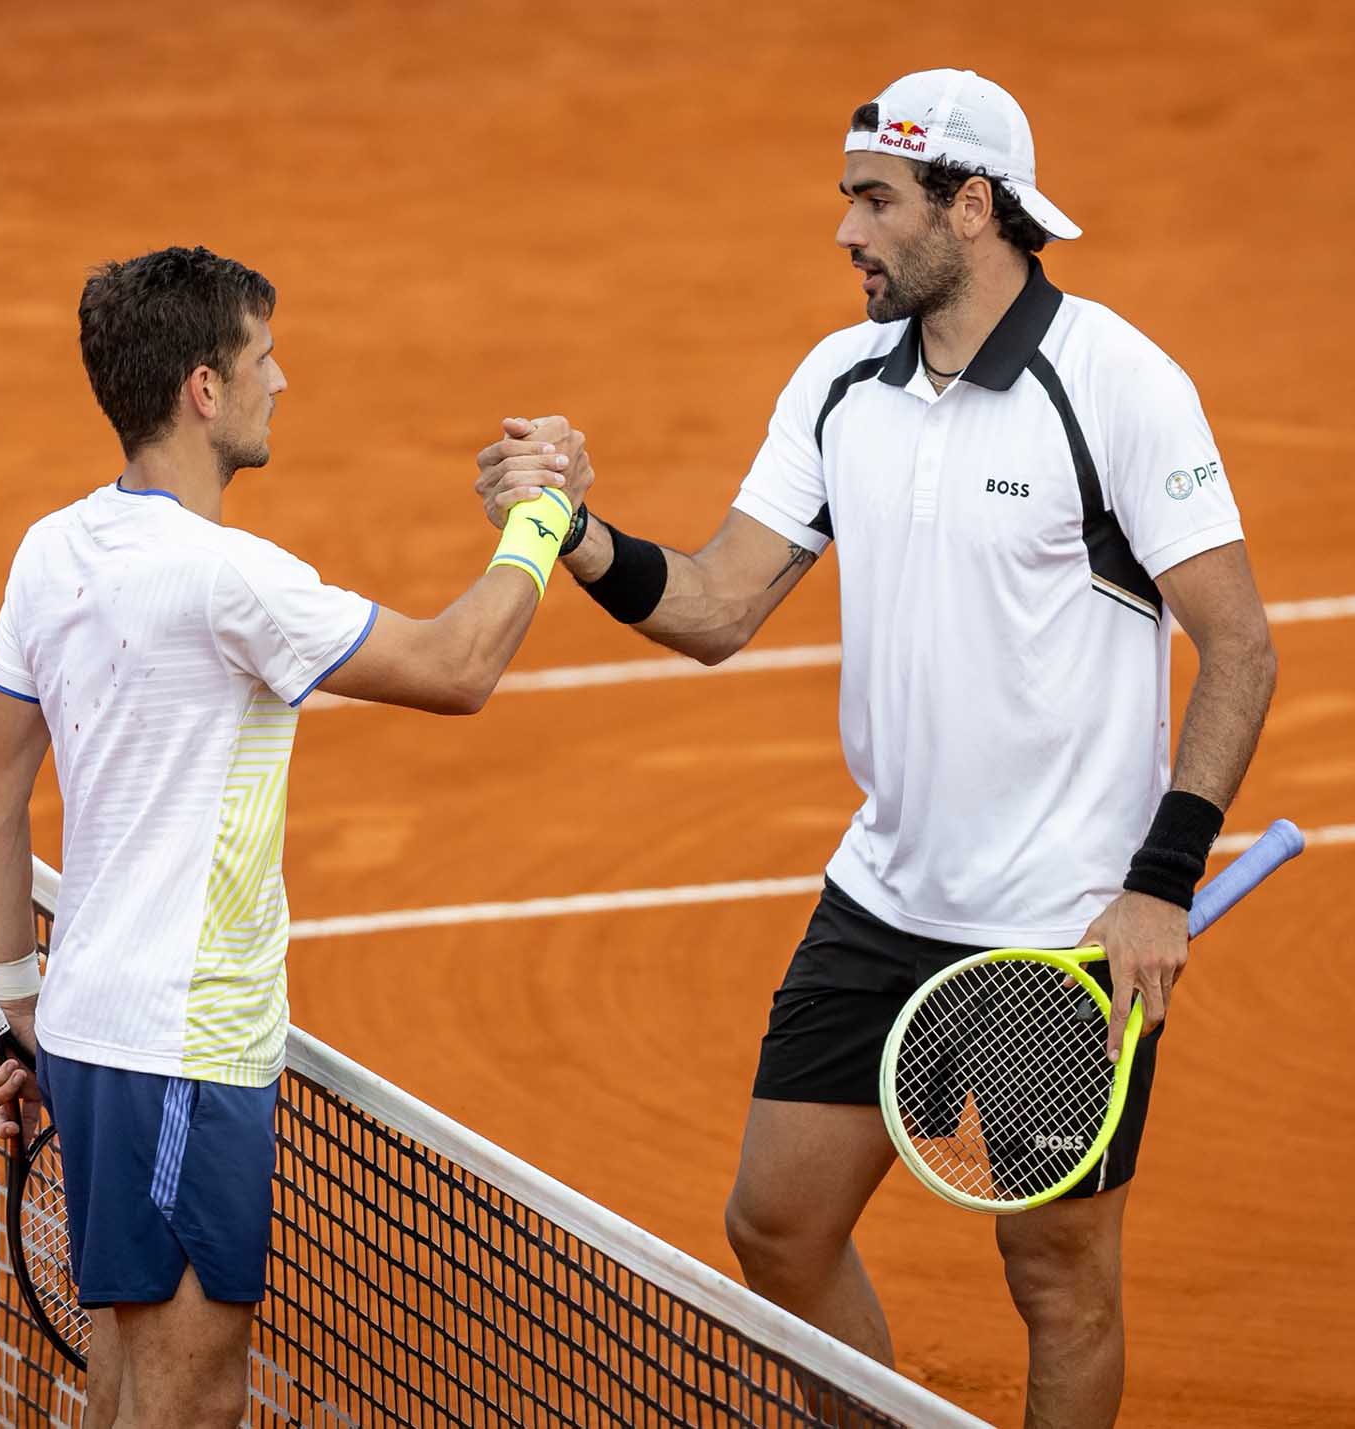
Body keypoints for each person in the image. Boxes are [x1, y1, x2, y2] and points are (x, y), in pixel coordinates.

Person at [474, 70, 1277, 1428]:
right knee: (776, 1226)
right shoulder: (841, 381)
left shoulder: (1120, 385)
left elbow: (1240, 644)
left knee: (1058, 1276)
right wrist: (580, 529)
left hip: (1061, 931)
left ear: (972, 209)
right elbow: (723, 605)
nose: (844, 228)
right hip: (886, 897)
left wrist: (1159, 880)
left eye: (874, 199)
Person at [0, 245, 587, 1428]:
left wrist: (18, 1004)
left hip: (98, 1033)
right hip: (184, 1049)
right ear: (204, 388)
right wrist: (542, 517)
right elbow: (458, 668)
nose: (281, 380)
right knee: (189, 1402)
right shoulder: (231, 579)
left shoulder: (53, 548)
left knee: (124, 1381)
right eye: (263, 358)